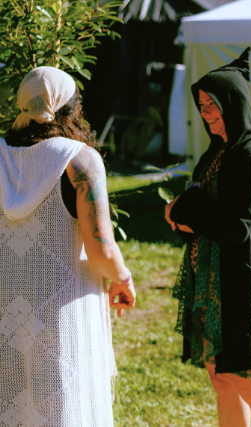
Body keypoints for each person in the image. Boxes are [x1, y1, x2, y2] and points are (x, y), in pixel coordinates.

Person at [0, 66, 136, 427]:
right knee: (64, 408)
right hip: (62, 311)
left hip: (6, 308)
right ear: (70, 109)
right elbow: (101, 248)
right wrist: (122, 279)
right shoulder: (80, 161)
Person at [165, 48, 251, 427]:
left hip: (239, 287)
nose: (206, 113)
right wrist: (181, 215)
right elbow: (202, 206)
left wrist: (183, 213)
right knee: (222, 382)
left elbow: (238, 227)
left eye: (213, 105)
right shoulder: (216, 151)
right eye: (201, 105)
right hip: (208, 283)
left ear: (233, 104)